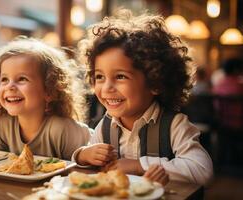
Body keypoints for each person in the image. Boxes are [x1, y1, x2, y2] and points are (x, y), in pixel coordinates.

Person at [74, 9, 213, 185]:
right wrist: (83, 155)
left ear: (155, 82)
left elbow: (203, 170)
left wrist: (139, 165)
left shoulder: (174, 125)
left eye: (120, 76)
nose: (107, 87)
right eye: (100, 77)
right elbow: (93, 168)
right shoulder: (105, 126)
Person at [0, 37, 92, 160]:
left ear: (49, 90)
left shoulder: (60, 129)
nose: (10, 86)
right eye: (4, 79)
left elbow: (82, 163)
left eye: (22, 79)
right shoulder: (5, 125)